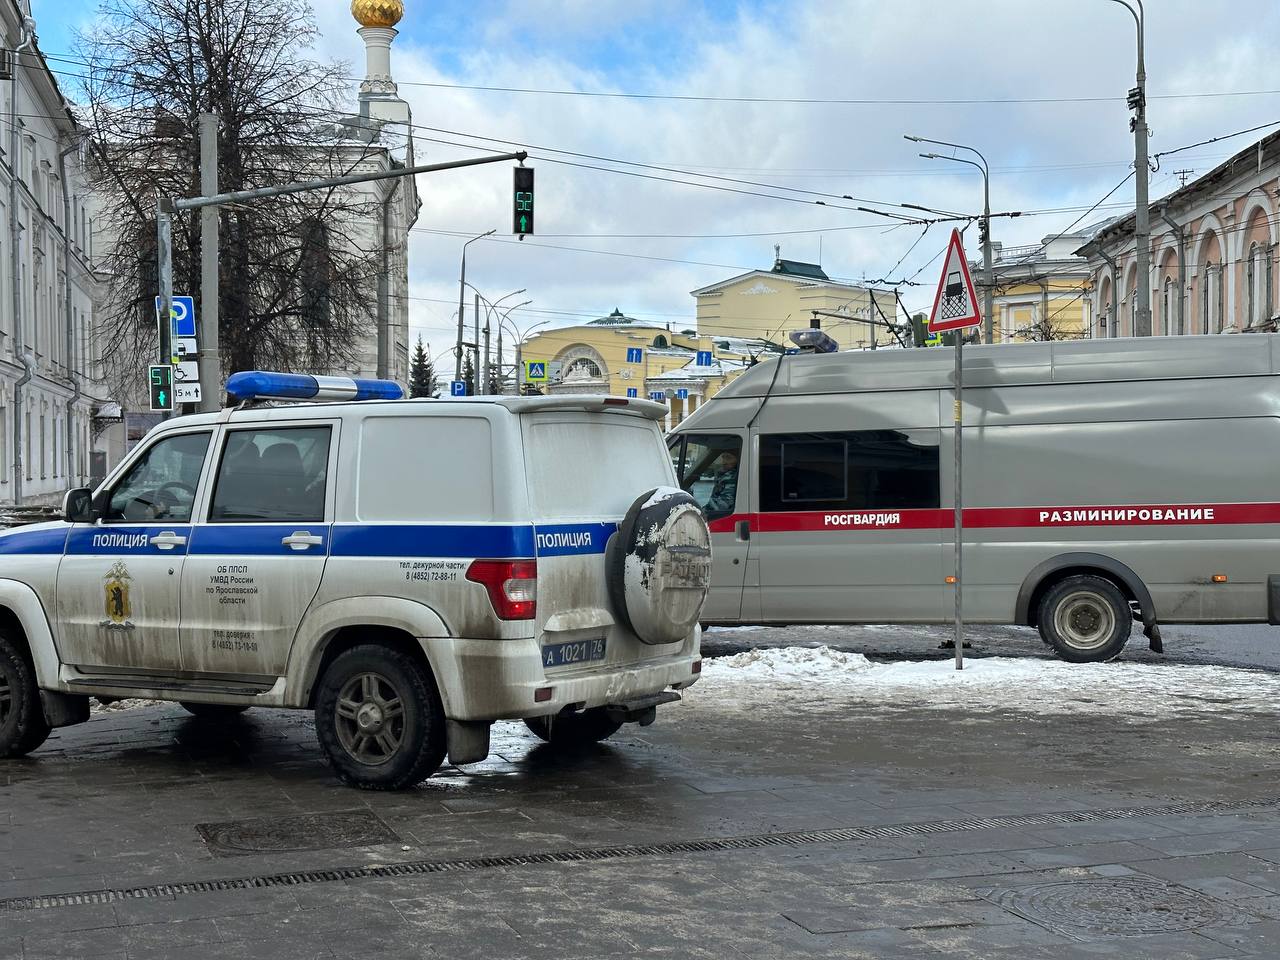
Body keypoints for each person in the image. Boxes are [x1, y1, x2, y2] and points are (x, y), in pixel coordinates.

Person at [705, 449, 739, 518]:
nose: (724, 462)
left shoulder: (731, 478)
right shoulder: (723, 475)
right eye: (723, 457)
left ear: (738, 459)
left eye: (729, 458)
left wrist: (700, 512)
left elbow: (722, 507)